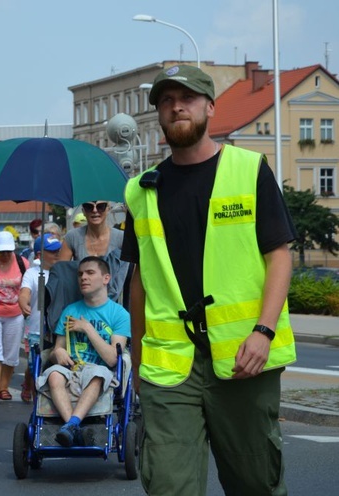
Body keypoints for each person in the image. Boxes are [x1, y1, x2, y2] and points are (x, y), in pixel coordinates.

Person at [121, 64, 297, 496]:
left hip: (243, 358)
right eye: (166, 101)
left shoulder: (249, 169)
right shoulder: (141, 190)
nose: (176, 106)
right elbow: (140, 279)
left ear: (210, 107)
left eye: (187, 98)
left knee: (255, 482)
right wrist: (137, 358)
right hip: (169, 366)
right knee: (168, 483)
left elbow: (279, 256)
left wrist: (263, 332)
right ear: (158, 115)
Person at [37, 256, 130, 447]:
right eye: (80, 274)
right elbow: (58, 348)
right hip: (71, 368)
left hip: (99, 369)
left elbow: (113, 358)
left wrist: (88, 329)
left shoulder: (119, 314)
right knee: (53, 374)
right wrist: (58, 353)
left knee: (97, 375)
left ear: (106, 278)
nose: (83, 278)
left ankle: (71, 424)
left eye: (90, 273)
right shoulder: (70, 310)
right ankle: (72, 427)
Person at [0, 231, 29, 400]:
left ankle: (4, 387)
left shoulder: (21, 262)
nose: (4, 255)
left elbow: (28, 283)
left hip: (15, 312)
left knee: (10, 354)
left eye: (7, 251)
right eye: (1, 251)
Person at [18, 233, 62, 402]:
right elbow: (24, 293)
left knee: (51, 367)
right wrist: (24, 304)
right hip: (36, 329)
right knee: (34, 365)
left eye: (59, 249)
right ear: (39, 255)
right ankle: (33, 391)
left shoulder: (64, 272)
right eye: (52, 251)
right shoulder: (32, 274)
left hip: (57, 330)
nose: (57, 254)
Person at [59, 200, 129, 304]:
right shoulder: (72, 237)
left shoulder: (122, 238)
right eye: (89, 207)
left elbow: (129, 278)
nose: (95, 211)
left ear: (108, 209)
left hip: (112, 308)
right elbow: (61, 276)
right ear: (83, 211)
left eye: (101, 206)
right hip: (79, 304)